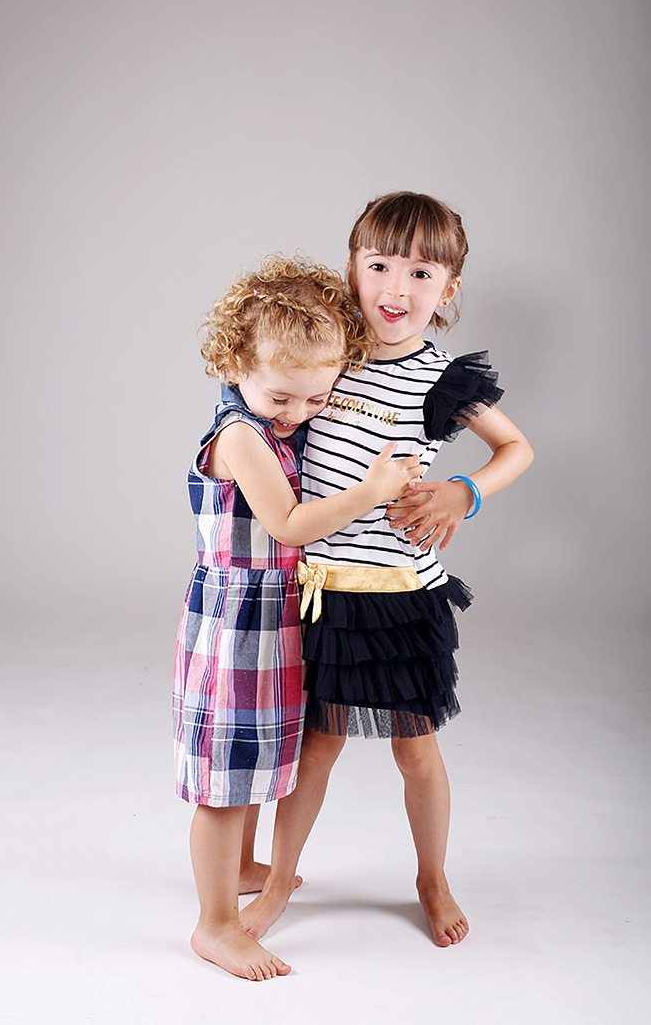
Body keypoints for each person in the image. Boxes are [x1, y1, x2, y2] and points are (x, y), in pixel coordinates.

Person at [240, 192, 534, 949]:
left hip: (400, 597)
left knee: (415, 748)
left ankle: (430, 879)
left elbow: (516, 450)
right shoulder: (327, 348)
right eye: (377, 267)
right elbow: (258, 389)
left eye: (421, 273)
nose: (395, 290)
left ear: (449, 289)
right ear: (352, 267)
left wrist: (462, 490)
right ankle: (277, 883)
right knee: (316, 747)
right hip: (322, 591)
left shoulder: (441, 381)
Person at [173, 255, 420, 980]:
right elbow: (285, 524)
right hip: (237, 623)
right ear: (235, 361)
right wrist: (371, 491)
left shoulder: (278, 415)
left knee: (259, 765)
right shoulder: (241, 436)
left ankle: (243, 868)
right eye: (283, 399)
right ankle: (214, 925)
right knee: (226, 778)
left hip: (279, 618)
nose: (298, 417)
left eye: (316, 402)